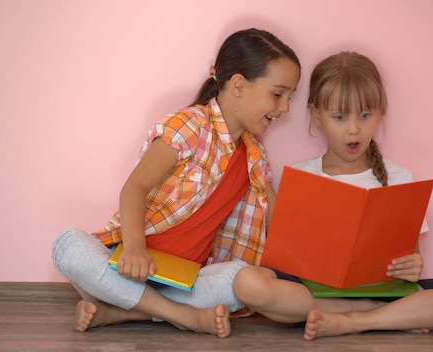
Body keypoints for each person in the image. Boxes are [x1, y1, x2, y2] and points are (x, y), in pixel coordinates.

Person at [51, 28, 301, 338]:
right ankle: (179, 316)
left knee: (248, 280)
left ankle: (123, 312)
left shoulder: (255, 156)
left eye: (291, 97)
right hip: (129, 267)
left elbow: (280, 223)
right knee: (69, 245)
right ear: (238, 84)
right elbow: (135, 187)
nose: (286, 107)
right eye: (278, 94)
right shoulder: (189, 126)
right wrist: (134, 249)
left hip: (186, 283)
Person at [232, 51, 433, 340]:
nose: (354, 129)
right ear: (317, 115)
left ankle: (354, 321)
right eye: (340, 117)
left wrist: (413, 266)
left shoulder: (398, 179)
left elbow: (411, 260)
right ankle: (382, 315)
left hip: (383, 291)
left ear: (379, 112)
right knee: (248, 283)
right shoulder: (301, 176)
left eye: (365, 115)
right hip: (316, 292)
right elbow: (285, 255)